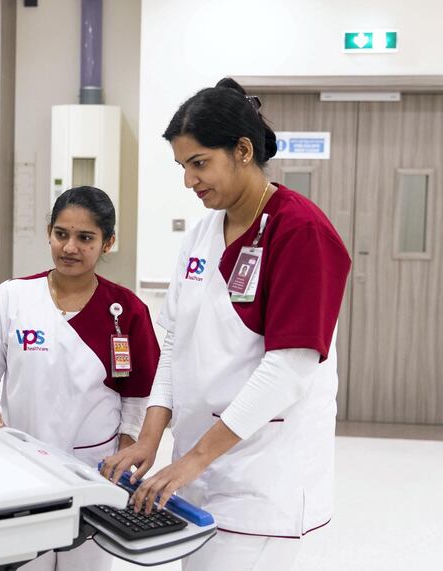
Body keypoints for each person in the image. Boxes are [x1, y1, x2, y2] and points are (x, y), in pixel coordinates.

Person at [101, 78, 351, 570]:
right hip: (202, 469)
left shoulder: (301, 232)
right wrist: (153, 438)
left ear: (241, 150)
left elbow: (290, 368)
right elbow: (175, 344)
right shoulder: (202, 233)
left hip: (265, 479)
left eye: (199, 164)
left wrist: (194, 457)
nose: (189, 181)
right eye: (182, 167)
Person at [0, 185, 160, 571]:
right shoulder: (14, 297)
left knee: (84, 563)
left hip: (92, 468)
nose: (70, 247)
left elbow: (140, 391)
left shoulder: (127, 310)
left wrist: (128, 440)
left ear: (108, 243)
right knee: (24, 563)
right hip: (21, 463)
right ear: (49, 233)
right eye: (61, 234)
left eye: (85, 237)